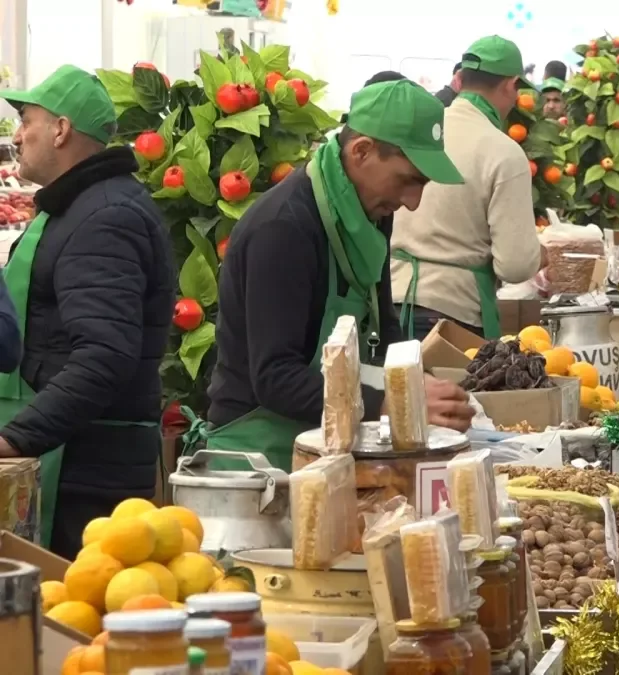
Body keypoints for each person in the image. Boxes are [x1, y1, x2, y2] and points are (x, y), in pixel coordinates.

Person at [202, 79, 474, 471]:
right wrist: (390, 403)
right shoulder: (284, 228)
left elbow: (383, 328)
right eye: (408, 180)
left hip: (334, 446)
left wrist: (418, 384)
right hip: (261, 457)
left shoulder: (371, 213)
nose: (412, 202)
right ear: (361, 150)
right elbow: (276, 377)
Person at [0, 65, 174, 557]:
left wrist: (16, 438)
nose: (18, 134)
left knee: (77, 618)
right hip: (73, 460)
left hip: (87, 480)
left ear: (61, 129)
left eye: (26, 118)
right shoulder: (78, 207)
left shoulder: (104, 218)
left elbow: (104, 353)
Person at [391, 36, 541, 341]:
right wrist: (541, 255)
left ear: (461, 79)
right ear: (511, 85)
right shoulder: (503, 151)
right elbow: (515, 266)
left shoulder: (422, 132)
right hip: (452, 316)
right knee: (449, 391)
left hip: (389, 304)